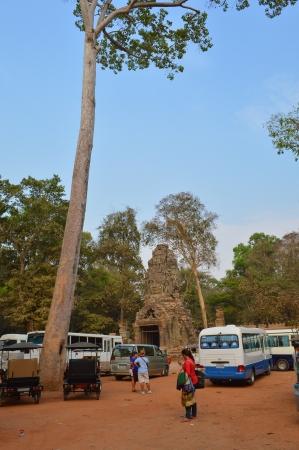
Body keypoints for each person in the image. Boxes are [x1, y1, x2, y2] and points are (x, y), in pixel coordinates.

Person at [179, 348, 198, 422]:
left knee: (187, 399)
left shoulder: (187, 362)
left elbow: (188, 373)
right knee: (192, 398)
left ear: (184, 355)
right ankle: (193, 414)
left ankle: (187, 416)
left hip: (189, 382)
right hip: (194, 380)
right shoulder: (191, 360)